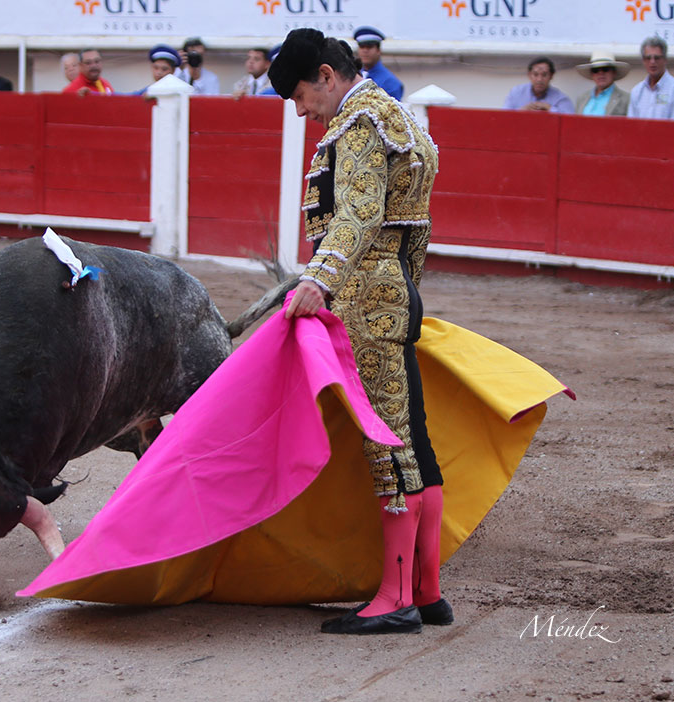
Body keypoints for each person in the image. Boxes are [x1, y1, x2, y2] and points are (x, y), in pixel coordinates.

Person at [269, 28, 447, 635]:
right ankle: (426, 591)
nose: (299, 111)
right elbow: (414, 226)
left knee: (386, 443)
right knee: (412, 437)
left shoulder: (359, 122)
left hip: (367, 295)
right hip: (394, 287)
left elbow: (361, 211)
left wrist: (322, 279)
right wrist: (408, 291)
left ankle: (395, 599)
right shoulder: (400, 117)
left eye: (299, 95)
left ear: (325, 75)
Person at [628, 36, 674, 120]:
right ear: (643, 61)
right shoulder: (637, 91)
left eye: (657, 58)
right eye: (648, 58)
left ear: (665, 59)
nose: (652, 62)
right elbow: (632, 126)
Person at [503, 57, 573, 113]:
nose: (539, 79)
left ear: (551, 76)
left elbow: (570, 121)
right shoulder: (516, 93)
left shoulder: (560, 98)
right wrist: (522, 111)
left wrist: (550, 109)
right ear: (529, 75)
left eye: (544, 75)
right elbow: (503, 117)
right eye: (535, 74)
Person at [352, 26, 403, 101]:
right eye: (362, 47)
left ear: (378, 50)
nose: (365, 51)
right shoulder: (353, 76)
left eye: (369, 47)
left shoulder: (390, 82)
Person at [574, 50, 630, 116]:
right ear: (592, 75)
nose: (600, 73)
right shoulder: (581, 98)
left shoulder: (626, 100)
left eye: (605, 69)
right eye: (595, 70)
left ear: (614, 72)